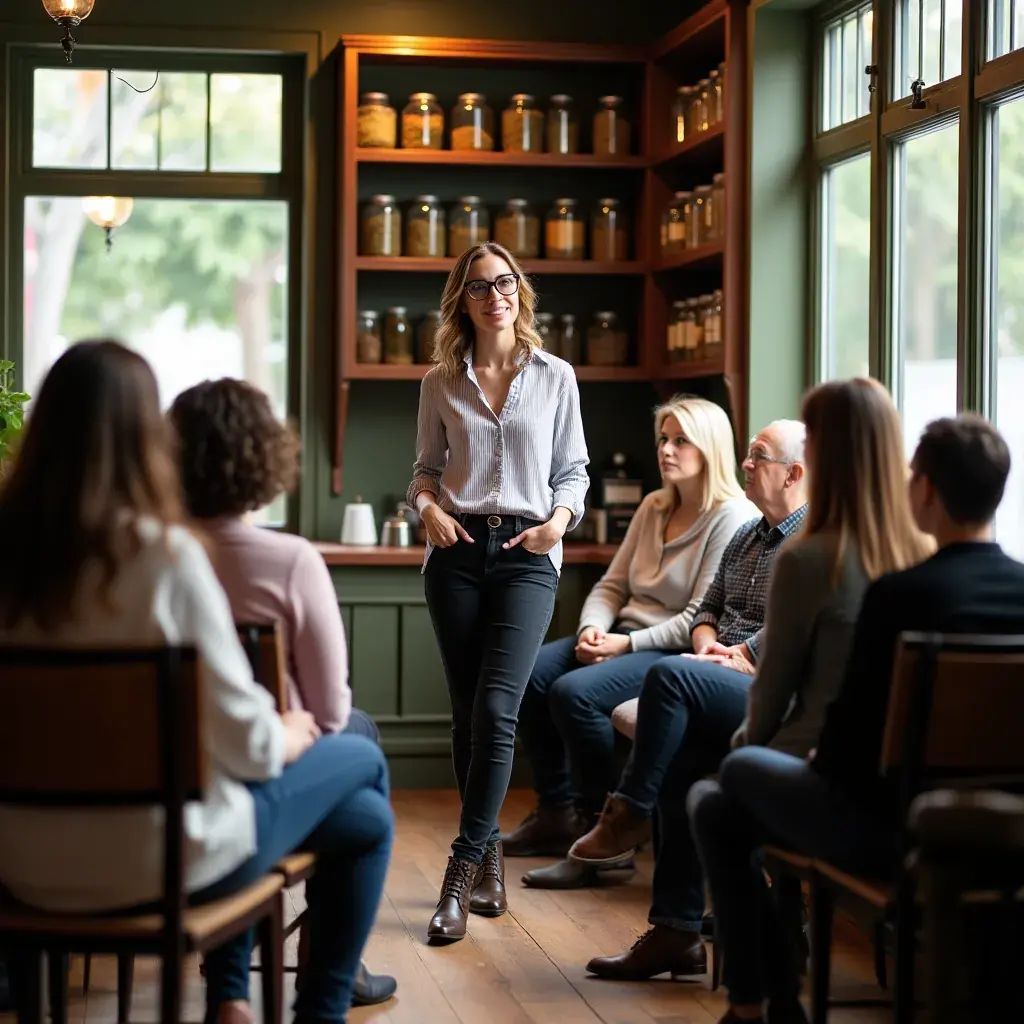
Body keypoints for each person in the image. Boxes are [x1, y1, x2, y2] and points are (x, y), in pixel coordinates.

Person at [0, 341, 393, 1024]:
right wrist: (292, 727)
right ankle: (310, 1010)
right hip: (156, 862)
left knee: (363, 814)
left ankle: (233, 995)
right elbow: (249, 748)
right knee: (363, 767)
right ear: (145, 439)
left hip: (19, 865)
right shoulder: (165, 559)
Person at [582, 379, 932, 983]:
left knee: (705, 778)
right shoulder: (917, 553)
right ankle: (688, 928)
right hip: (910, 793)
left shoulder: (813, 552)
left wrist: (741, 757)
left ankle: (717, 947)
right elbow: (713, 615)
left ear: (815, 461)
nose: (751, 464)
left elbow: (774, 689)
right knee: (689, 738)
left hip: (830, 771)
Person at [688, 412, 1024, 1024]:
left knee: (723, 788)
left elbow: (849, 745)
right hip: (1006, 826)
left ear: (923, 490)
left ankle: (761, 1002)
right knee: (727, 791)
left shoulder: (900, 593)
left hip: (888, 830)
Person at [169, 377, 396, 1006]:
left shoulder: (150, 559)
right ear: (265, 458)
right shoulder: (291, 561)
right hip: (250, 763)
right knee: (362, 750)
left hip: (172, 772)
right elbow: (328, 712)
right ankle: (330, 986)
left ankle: (230, 994)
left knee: (360, 778)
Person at [407, 241, 590, 943]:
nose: (496, 296)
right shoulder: (439, 382)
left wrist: (558, 524)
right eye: (481, 286)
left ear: (521, 291)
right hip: (453, 554)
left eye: (506, 282)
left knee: (496, 707)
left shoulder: (555, 376)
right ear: (464, 300)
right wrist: (427, 509)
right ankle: (489, 863)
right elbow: (424, 469)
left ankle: (459, 870)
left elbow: (572, 469)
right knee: (466, 716)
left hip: (526, 553)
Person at [502, 395, 756, 888]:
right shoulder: (653, 505)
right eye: (664, 438)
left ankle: (604, 831)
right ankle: (555, 813)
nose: (667, 449)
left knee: (573, 695)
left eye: (682, 440)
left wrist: (623, 646)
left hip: (669, 647)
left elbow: (695, 618)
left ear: (711, 448)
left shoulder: (731, 516)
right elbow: (612, 585)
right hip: (620, 634)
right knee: (530, 674)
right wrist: (592, 629)